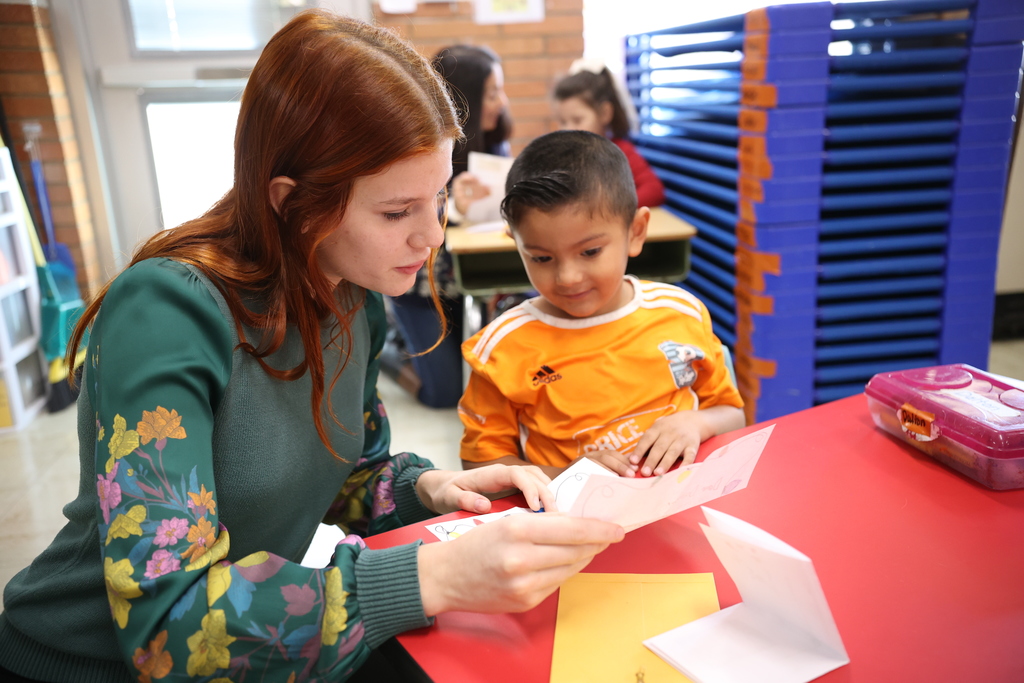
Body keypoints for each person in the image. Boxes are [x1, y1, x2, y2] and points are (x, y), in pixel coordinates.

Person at [0, 14, 624, 683]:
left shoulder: (354, 294)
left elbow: (348, 474)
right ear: (295, 205)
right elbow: (167, 630)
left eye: (438, 197)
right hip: (81, 664)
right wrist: (433, 574)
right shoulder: (168, 312)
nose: (432, 236)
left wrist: (432, 488)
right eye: (396, 212)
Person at [459, 130, 744, 479]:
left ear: (636, 232)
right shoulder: (501, 349)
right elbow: (479, 466)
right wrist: (564, 474)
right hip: (572, 524)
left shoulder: (681, 312)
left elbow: (732, 412)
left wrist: (696, 422)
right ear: (516, 244)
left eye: (590, 252)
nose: (568, 277)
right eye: (542, 258)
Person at [386, 44, 512, 408]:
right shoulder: (419, 147)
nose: (502, 102)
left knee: (479, 379)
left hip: (468, 282)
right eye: (491, 93)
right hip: (422, 288)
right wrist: (454, 204)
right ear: (467, 99)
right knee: (443, 394)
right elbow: (404, 214)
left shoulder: (495, 145)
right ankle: (391, 351)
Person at [553, 60, 666, 208]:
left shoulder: (622, 151)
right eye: (563, 122)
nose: (569, 129)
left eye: (577, 120)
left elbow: (654, 190)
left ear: (605, 113)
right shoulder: (561, 158)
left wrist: (613, 208)